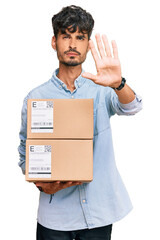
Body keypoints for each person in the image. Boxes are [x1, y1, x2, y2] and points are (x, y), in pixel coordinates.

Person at [18, 5, 142, 240]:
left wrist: (118, 84)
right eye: (66, 36)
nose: (72, 44)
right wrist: (41, 185)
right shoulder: (36, 98)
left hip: (99, 213)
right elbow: (26, 152)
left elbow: (133, 107)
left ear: (87, 44)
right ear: (54, 42)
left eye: (80, 37)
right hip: (55, 216)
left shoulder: (103, 90)